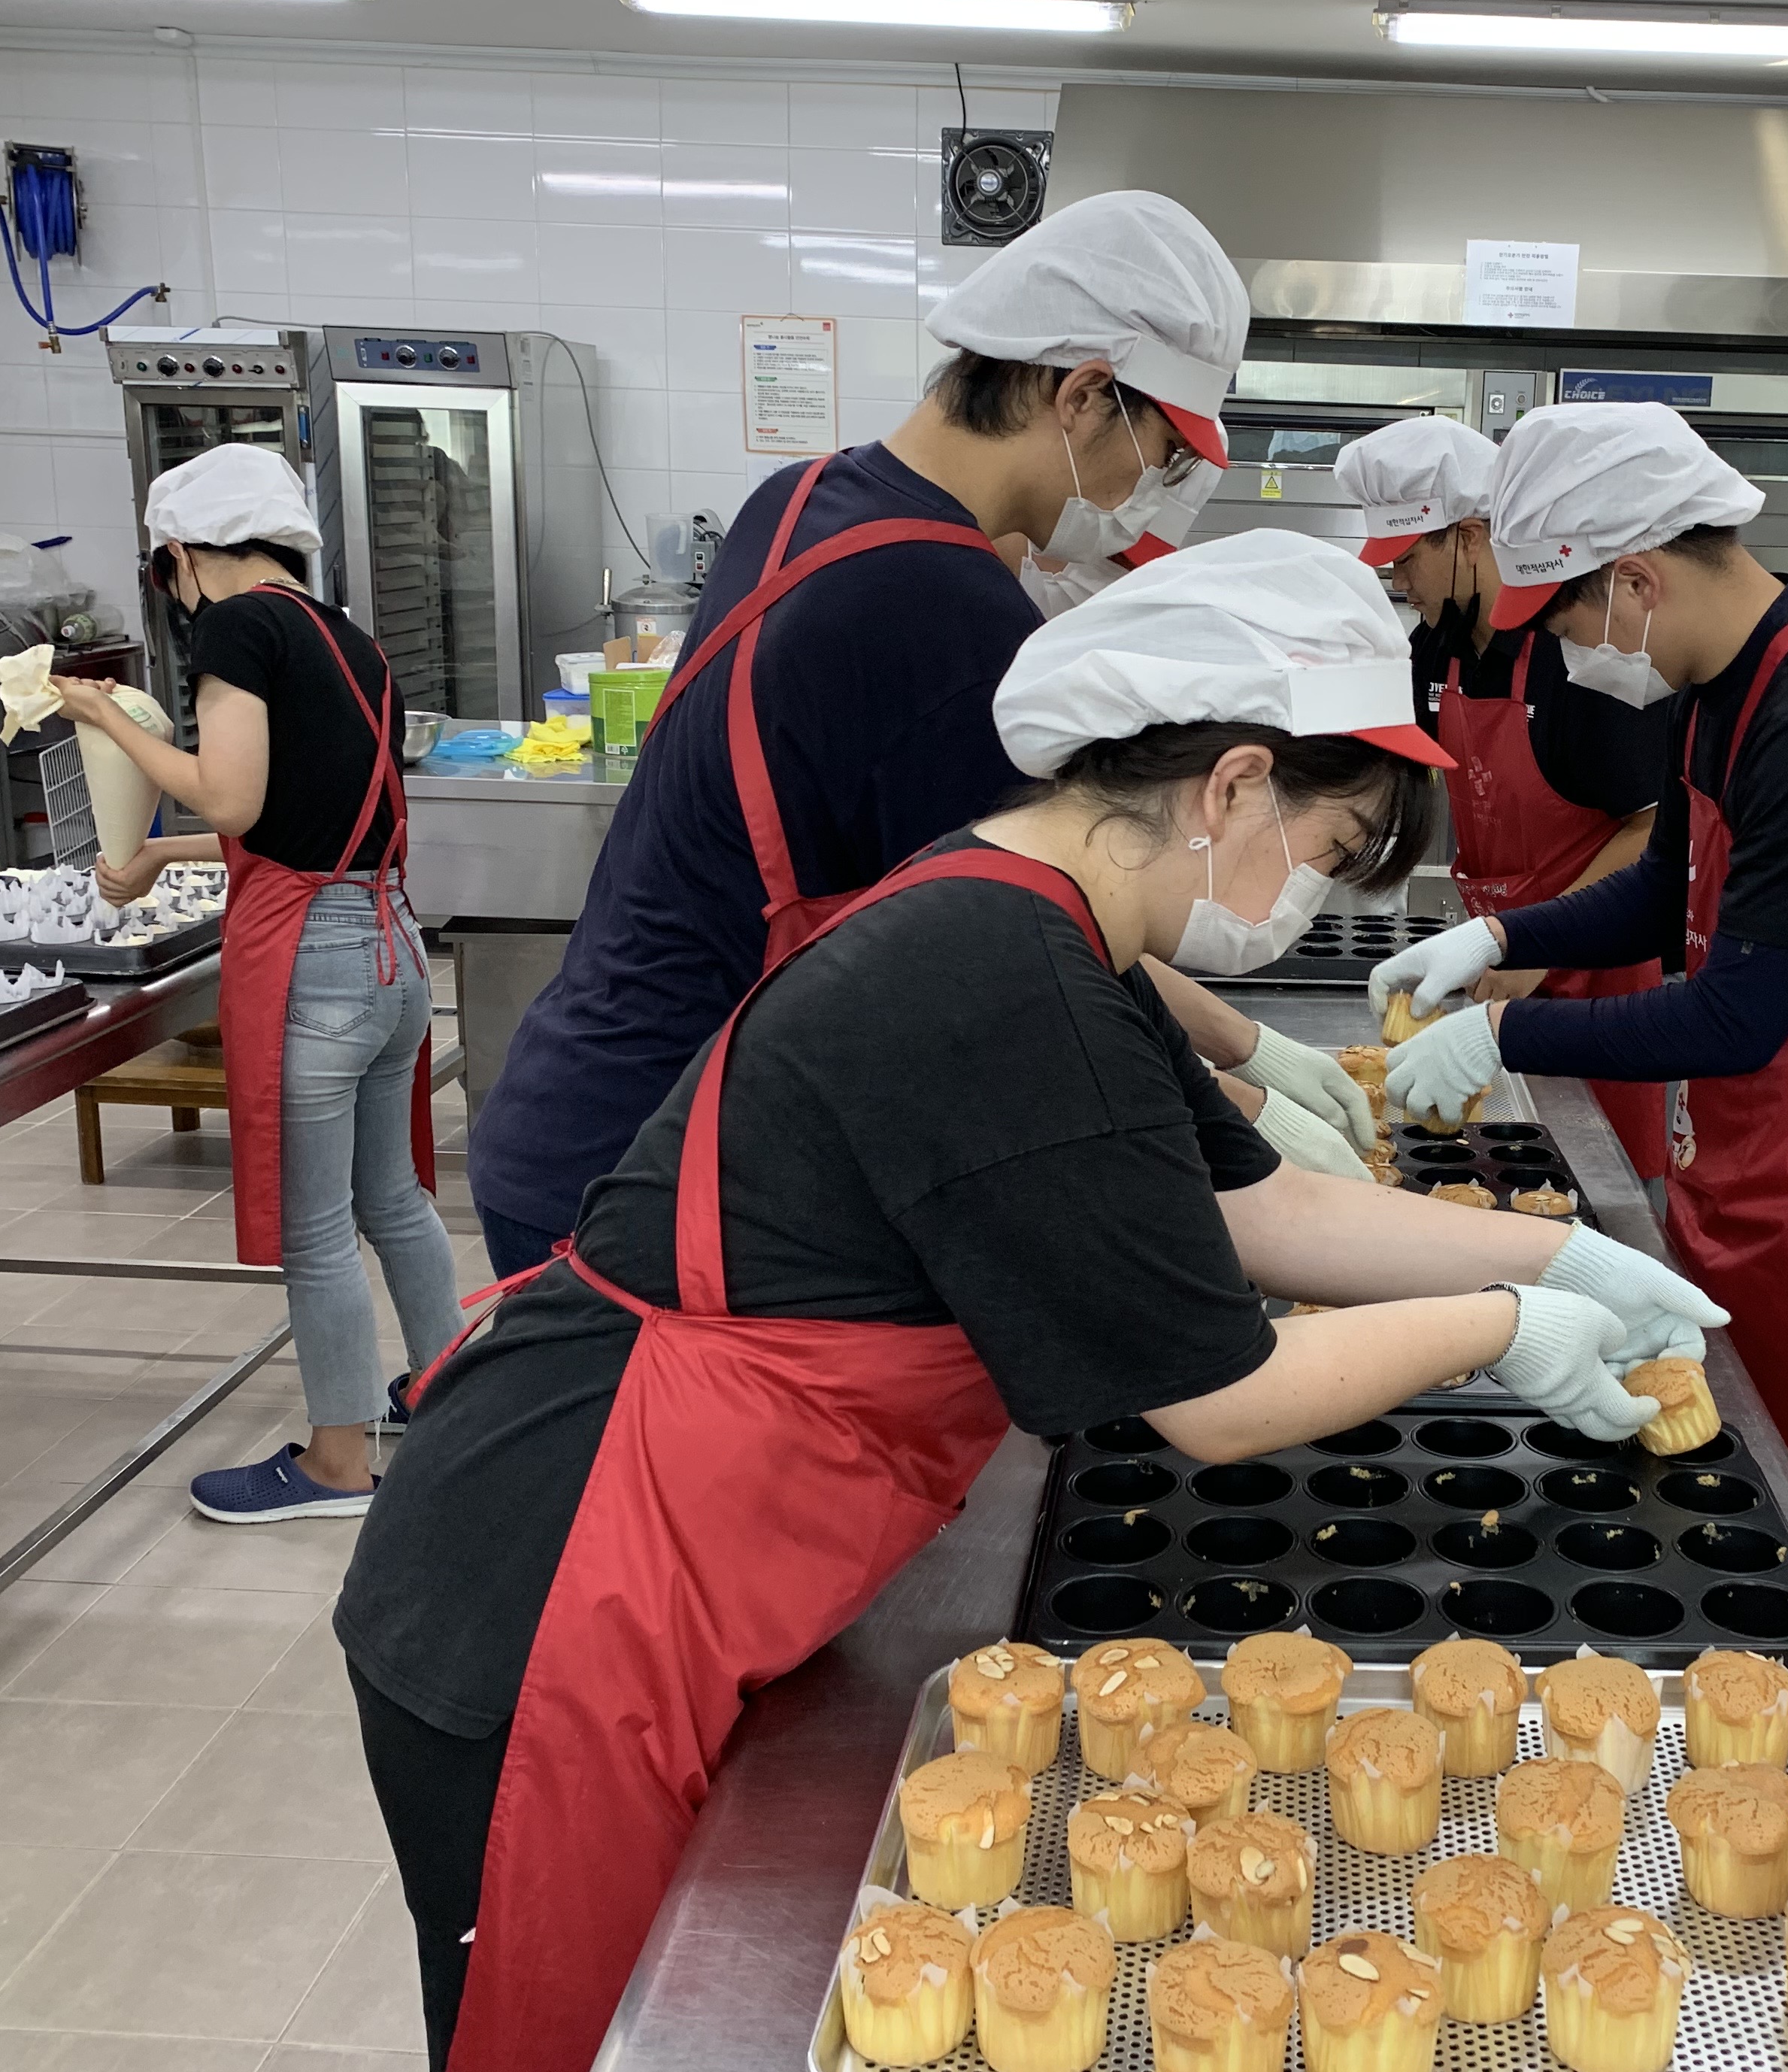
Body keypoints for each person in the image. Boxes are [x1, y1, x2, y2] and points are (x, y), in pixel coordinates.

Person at [332, 528, 1726, 2072]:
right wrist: (1502, 1324)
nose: (1310, 900)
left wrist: (1559, 1249)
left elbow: (1261, 1208)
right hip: (554, 1576)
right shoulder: (1002, 970)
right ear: (1233, 785)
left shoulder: (1048, 923)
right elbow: (1220, 1396)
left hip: (665, 1531)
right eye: (1332, 849)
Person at [468, 190, 1372, 1267]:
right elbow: (1050, 943)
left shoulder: (808, 494)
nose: (1156, 494)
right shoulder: (936, 605)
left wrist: (1249, 1048)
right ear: (1084, 395)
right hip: (665, 1168)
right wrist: (1251, 1120)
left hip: (587, 1097)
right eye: (1166, 455)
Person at [1375, 402, 1788, 1662]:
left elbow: (1740, 1011)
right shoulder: (1720, 684)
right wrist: (1498, 938)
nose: (1570, 653)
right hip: (1766, 1158)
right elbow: (1667, 888)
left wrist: (1506, 1038)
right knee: (1740, 1478)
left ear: (1637, 580)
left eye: (1567, 624)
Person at [53, 442, 463, 1519]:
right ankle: (450, 1393)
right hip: (388, 946)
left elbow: (231, 799)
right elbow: (299, 821)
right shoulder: (347, 638)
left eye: (165, 572)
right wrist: (156, 854)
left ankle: (336, 1465)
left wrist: (105, 720)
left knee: (317, 1227)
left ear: (185, 555)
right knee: (396, 1200)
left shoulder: (239, 628)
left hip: (317, 971)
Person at [1335, 414, 1672, 1176]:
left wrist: (1537, 945)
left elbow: (1652, 826)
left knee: (1594, 1174)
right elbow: (1386, 765)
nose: (1399, 581)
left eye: (1408, 558)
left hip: (1598, 971)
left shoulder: (1573, 653)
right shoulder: (1438, 648)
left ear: (1470, 537)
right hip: (1496, 955)